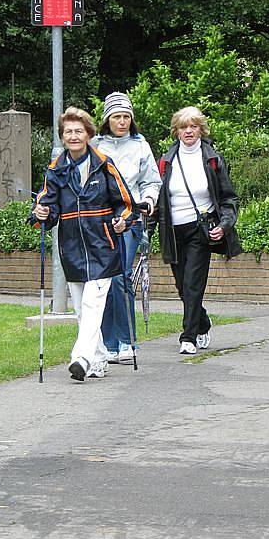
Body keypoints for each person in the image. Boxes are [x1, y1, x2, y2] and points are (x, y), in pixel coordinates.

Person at [30, 107, 136, 381]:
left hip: (103, 246)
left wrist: (122, 220)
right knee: (81, 308)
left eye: (79, 131)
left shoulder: (104, 164)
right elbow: (47, 206)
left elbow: (124, 204)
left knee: (92, 303)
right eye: (68, 132)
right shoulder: (56, 170)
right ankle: (99, 360)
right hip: (72, 248)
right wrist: (41, 213)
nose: (74, 136)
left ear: (89, 134)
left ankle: (82, 357)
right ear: (62, 138)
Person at [155, 106, 242, 355]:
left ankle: (188, 337)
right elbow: (158, 199)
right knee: (183, 286)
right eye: (184, 127)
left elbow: (228, 198)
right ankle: (202, 322)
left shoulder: (213, 159)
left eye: (193, 126)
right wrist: (145, 232)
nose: (189, 131)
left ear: (201, 129)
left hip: (200, 230)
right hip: (173, 231)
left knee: (193, 284)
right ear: (177, 131)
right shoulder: (166, 160)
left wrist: (224, 226)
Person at [92, 92, 161, 364]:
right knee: (103, 280)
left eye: (126, 117)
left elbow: (151, 181)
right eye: (116, 116)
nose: (121, 122)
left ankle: (126, 341)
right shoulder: (95, 145)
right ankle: (108, 343)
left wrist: (149, 200)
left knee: (121, 276)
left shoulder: (140, 145)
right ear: (107, 119)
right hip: (101, 219)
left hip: (130, 217)